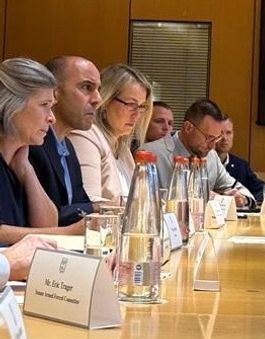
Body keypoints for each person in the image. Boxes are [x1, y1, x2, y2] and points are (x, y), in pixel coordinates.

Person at [0, 57, 83, 245]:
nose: (52, 118)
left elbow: (47, 224)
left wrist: (26, 170)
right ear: (13, 105)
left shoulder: (19, 159)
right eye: (44, 105)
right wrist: (68, 233)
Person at [141, 98, 255, 208]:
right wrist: (215, 199)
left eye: (216, 139)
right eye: (209, 138)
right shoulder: (150, 153)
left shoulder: (211, 156)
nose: (212, 146)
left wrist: (242, 199)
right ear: (188, 128)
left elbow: (242, 190)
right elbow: (144, 204)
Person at [29, 56, 101, 225]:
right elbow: (38, 218)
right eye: (87, 87)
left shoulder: (67, 145)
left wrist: (99, 208)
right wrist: (99, 208)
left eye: (98, 89)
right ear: (54, 93)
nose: (98, 99)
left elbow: (80, 204)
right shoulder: (32, 143)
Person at [68, 64, 153, 205]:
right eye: (131, 104)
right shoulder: (85, 136)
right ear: (105, 101)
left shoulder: (122, 148)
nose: (137, 114)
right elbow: (89, 203)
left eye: (141, 106)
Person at [215, 115, 265, 202]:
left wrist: (245, 199)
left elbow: (263, 190)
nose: (224, 138)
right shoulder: (203, 163)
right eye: (220, 133)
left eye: (228, 133)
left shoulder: (241, 165)